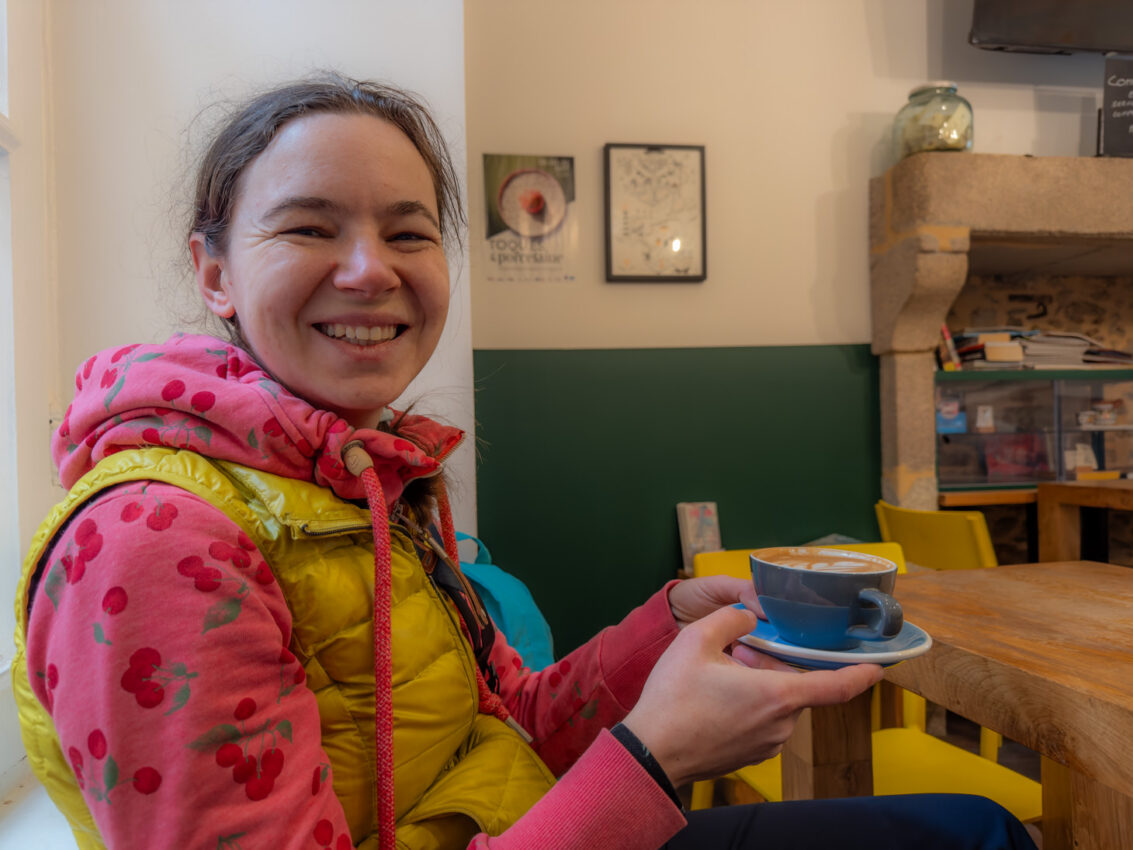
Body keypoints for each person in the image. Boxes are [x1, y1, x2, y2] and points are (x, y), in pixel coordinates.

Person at [12, 74, 1038, 850]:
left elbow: (513, 725)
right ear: (214, 272)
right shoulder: (152, 540)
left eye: (408, 232)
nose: (369, 270)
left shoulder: (368, 479)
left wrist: (668, 624)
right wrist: (656, 757)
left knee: (972, 825)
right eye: (309, 227)